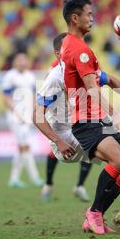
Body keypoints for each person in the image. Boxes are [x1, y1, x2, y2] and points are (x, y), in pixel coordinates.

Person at [34, 32, 120, 231]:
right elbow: (37, 116)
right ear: (58, 54)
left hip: (86, 125)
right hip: (67, 136)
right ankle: (116, 205)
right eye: (66, 50)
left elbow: (112, 81)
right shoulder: (56, 77)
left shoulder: (83, 68)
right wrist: (57, 141)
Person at [39, 33, 93, 203]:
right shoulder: (58, 67)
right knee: (63, 148)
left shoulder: (80, 59)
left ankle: (80, 186)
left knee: (93, 144)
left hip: (77, 110)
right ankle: (48, 183)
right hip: (61, 112)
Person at [2, 52, 44, 188]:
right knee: (25, 146)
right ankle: (35, 178)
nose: (22, 62)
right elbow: (6, 98)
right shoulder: (10, 76)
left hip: (27, 115)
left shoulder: (30, 76)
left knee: (22, 147)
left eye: (24, 60)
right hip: (15, 116)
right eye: (19, 60)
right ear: (15, 62)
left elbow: (32, 96)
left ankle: (13, 179)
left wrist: (33, 111)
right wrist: (17, 113)